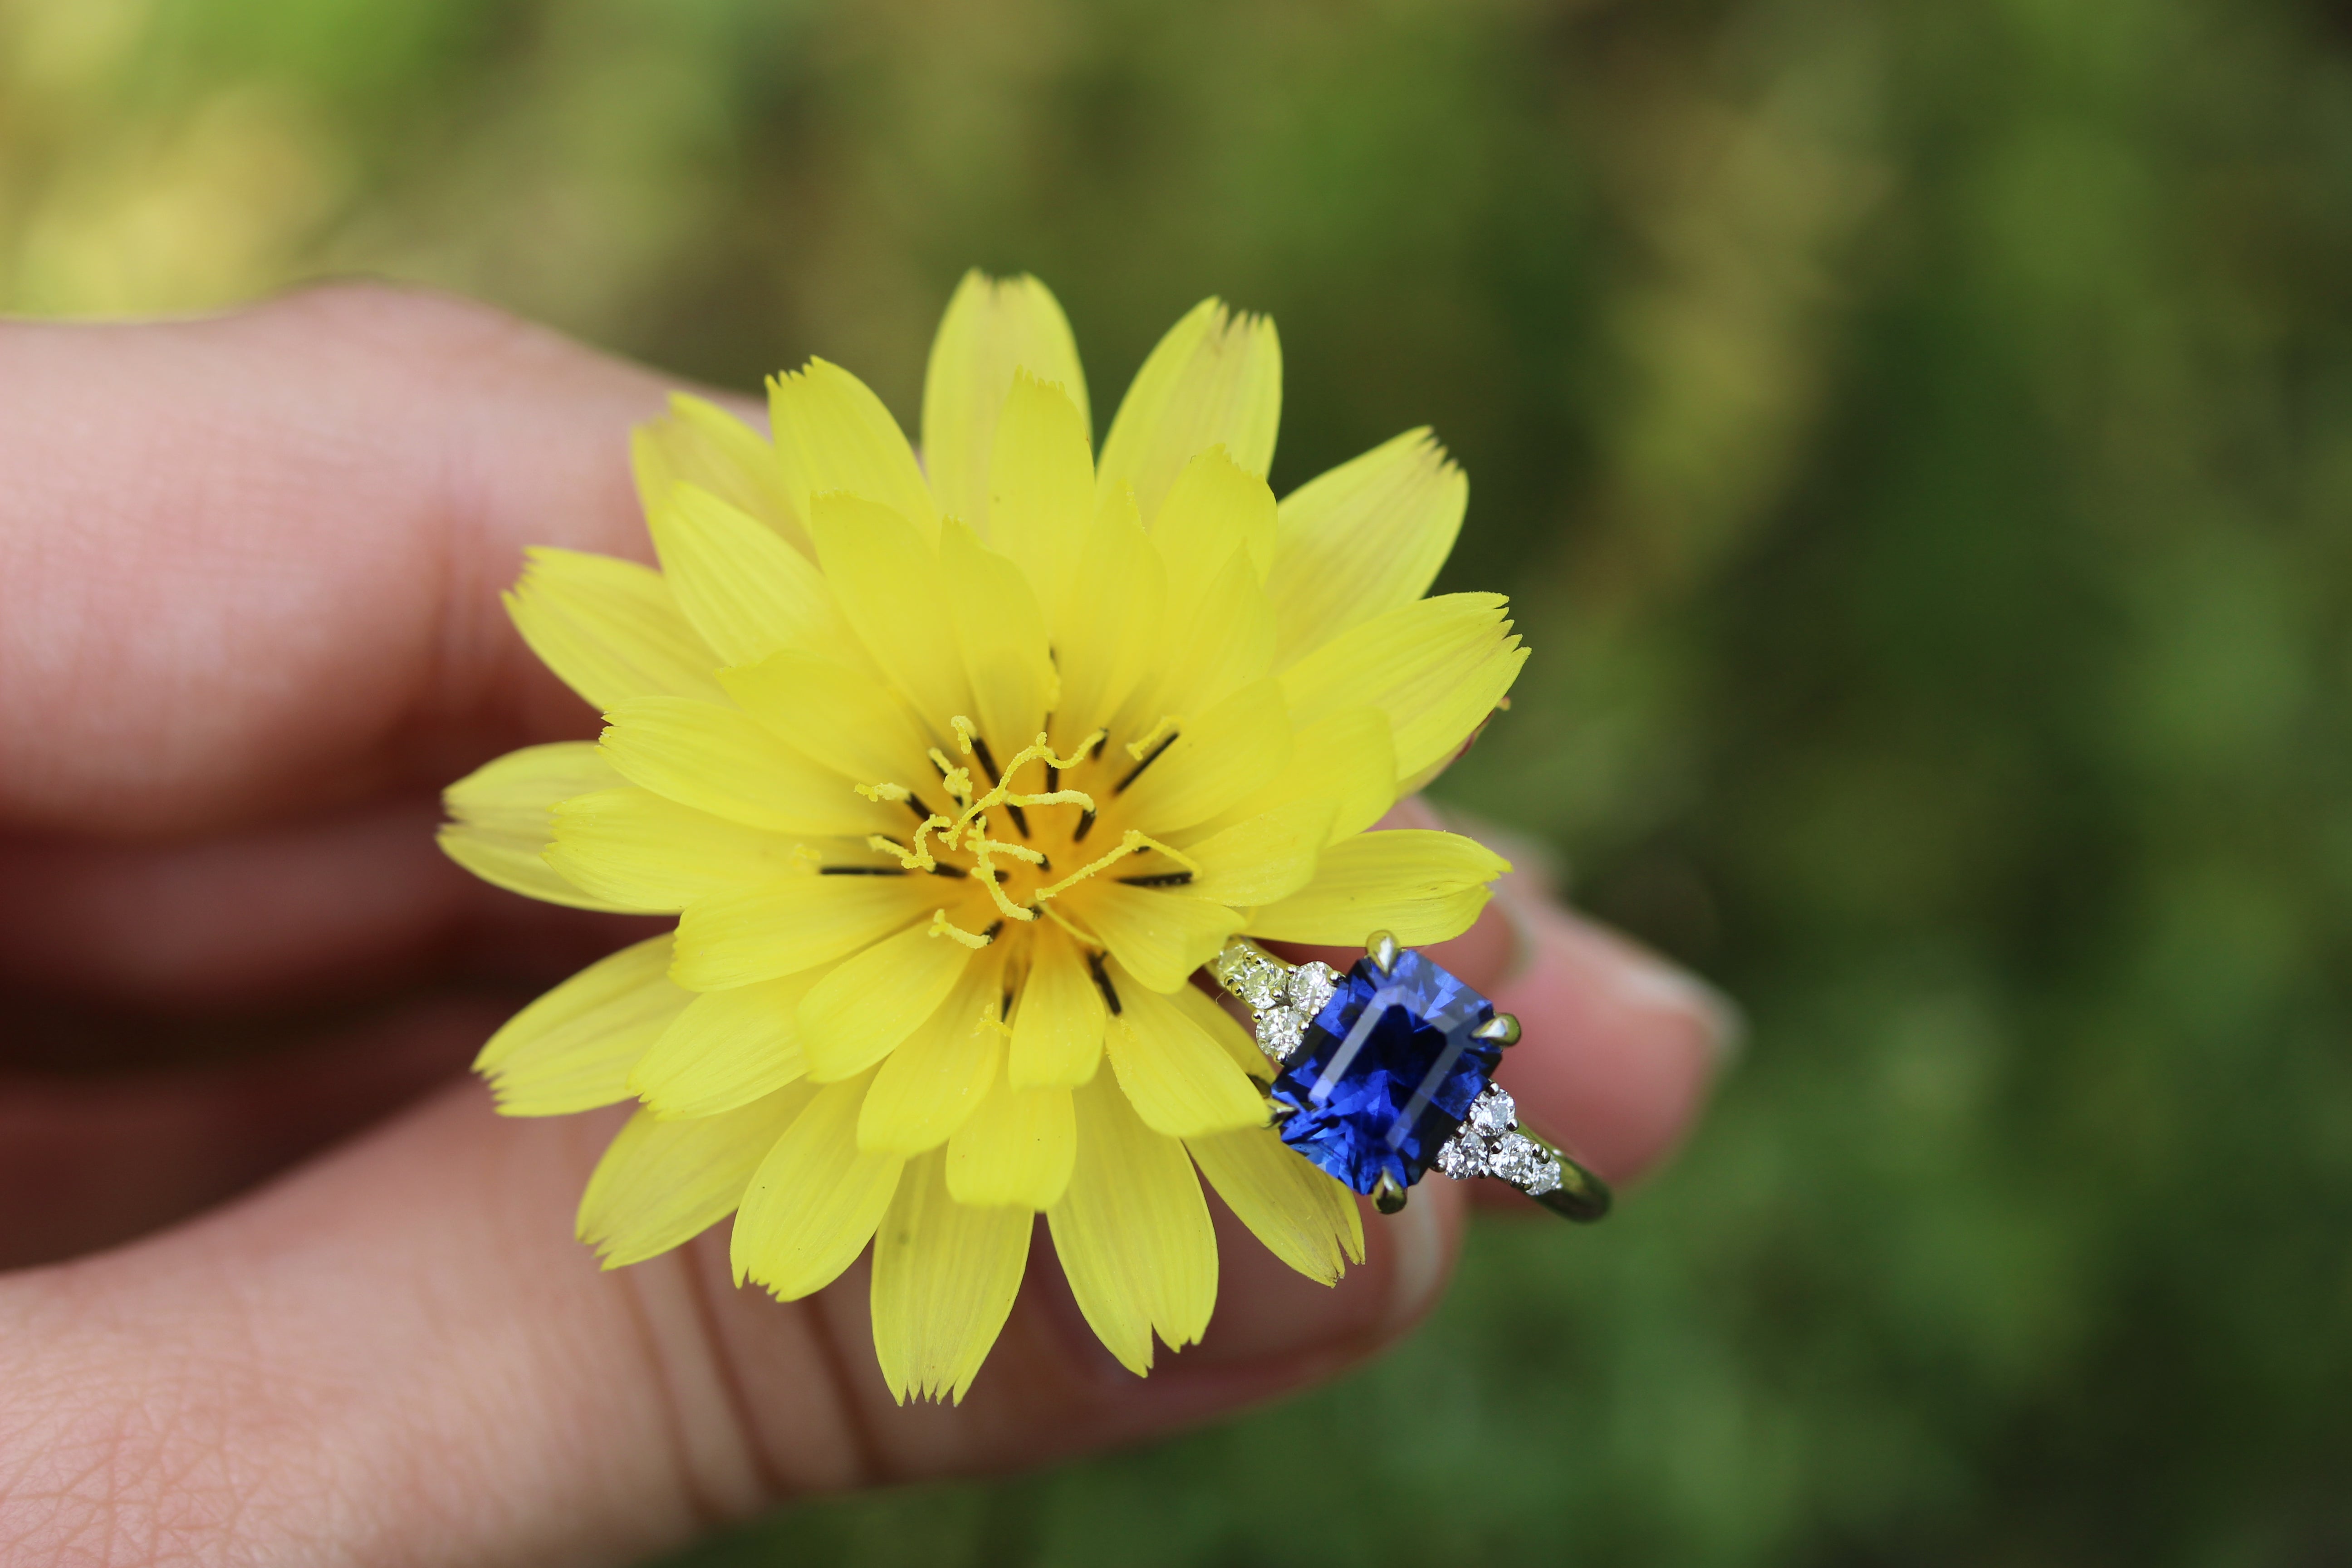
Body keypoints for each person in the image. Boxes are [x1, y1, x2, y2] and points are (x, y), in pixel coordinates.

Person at [0, 283, 1728, 1567]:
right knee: (1475, 1117)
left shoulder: (1279, 935)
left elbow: (1376, 780)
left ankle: (1539, 1167)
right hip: (1223, 1017)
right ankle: (1536, 1167)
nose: (1015, 851)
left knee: (1469, 1107)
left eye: (1023, 825)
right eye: (996, 831)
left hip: (1257, 967)